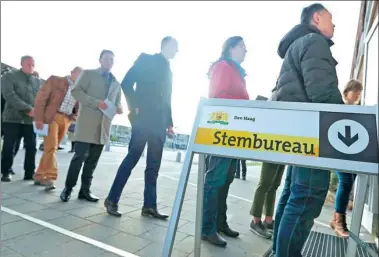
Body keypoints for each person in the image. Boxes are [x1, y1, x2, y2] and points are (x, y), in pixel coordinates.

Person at [269, 3, 344, 257]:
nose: (334, 24)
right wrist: (348, 120)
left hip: (296, 131)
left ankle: (280, 251)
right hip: (312, 132)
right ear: (316, 17)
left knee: (293, 194)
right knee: (306, 198)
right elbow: (323, 94)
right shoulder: (314, 42)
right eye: (330, 18)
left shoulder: (297, 45)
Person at [105, 36, 177, 219]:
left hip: (159, 123)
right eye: (175, 47)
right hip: (144, 118)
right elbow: (127, 82)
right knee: (132, 158)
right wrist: (134, 105)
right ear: (166, 46)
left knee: (153, 166)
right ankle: (112, 199)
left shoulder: (170, 72)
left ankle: (149, 206)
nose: (177, 51)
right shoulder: (146, 59)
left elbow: (167, 99)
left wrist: (169, 124)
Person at [202, 36, 249, 247]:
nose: (246, 50)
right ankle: (207, 228)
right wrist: (247, 105)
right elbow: (217, 98)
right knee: (215, 180)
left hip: (233, 135)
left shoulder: (237, 73)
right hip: (222, 133)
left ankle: (220, 223)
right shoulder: (223, 67)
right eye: (242, 46)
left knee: (226, 179)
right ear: (230, 48)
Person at [60, 50, 123, 202]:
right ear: (100, 59)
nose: (109, 62)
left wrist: (119, 107)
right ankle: (68, 189)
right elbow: (76, 91)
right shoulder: (88, 74)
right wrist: (95, 102)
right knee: (79, 157)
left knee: (92, 161)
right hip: (87, 123)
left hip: (103, 127)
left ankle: (84, 191)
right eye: (106, 58)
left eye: (112, 60)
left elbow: (118, 101)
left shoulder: (116, 83)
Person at [33, 67, 82, 191]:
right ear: (72, 73)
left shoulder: (79, 89)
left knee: (51, 148)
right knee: (51, 147)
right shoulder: (55, 80)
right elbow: (41, 98)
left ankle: (39, 175)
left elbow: (78, 106)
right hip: (52, 116)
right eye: (79, 74)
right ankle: (50, 177)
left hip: (66, 119)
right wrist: (38, 117)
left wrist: (74, 116)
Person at [330, 79, 363, 238]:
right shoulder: (339, 108)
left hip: (353, 155)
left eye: (359, 91)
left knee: (350, 181)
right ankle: (339, 222)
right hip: (338, 154)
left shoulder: (360, 111)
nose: (357, 94)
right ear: (346, 92)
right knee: (346, 181)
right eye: (355, 90)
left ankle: (335, 219)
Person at [1, 56, 40, 182]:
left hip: (30, 120)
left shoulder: (36, 81)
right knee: (9, 146)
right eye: (28, 64)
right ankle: (5, 171)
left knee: (31, 147)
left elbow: (39, 98)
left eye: (33, 64)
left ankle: (29, 173)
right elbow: (9, 95)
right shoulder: (9, 76)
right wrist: (27, 108)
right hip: (13, 118)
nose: (31, 66)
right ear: (21, 63)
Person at [249, 163, 285, 239]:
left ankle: (268, 221)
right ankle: (256, 221)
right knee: (264, 183)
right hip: (272, 152)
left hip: (282, 154)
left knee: (274, 185)